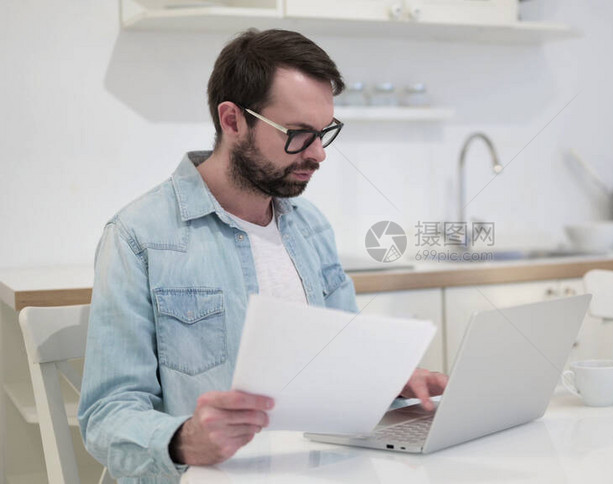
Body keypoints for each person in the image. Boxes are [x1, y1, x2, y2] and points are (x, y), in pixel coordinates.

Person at [78, 29, 448, 483]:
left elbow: (345, 361)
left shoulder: (310, 226)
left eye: (324, 133)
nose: (317, 154)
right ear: (232, 120)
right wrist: (185, 438)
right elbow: (105, 415)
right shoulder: (138, 237)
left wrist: (389, 383)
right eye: (297, 134)